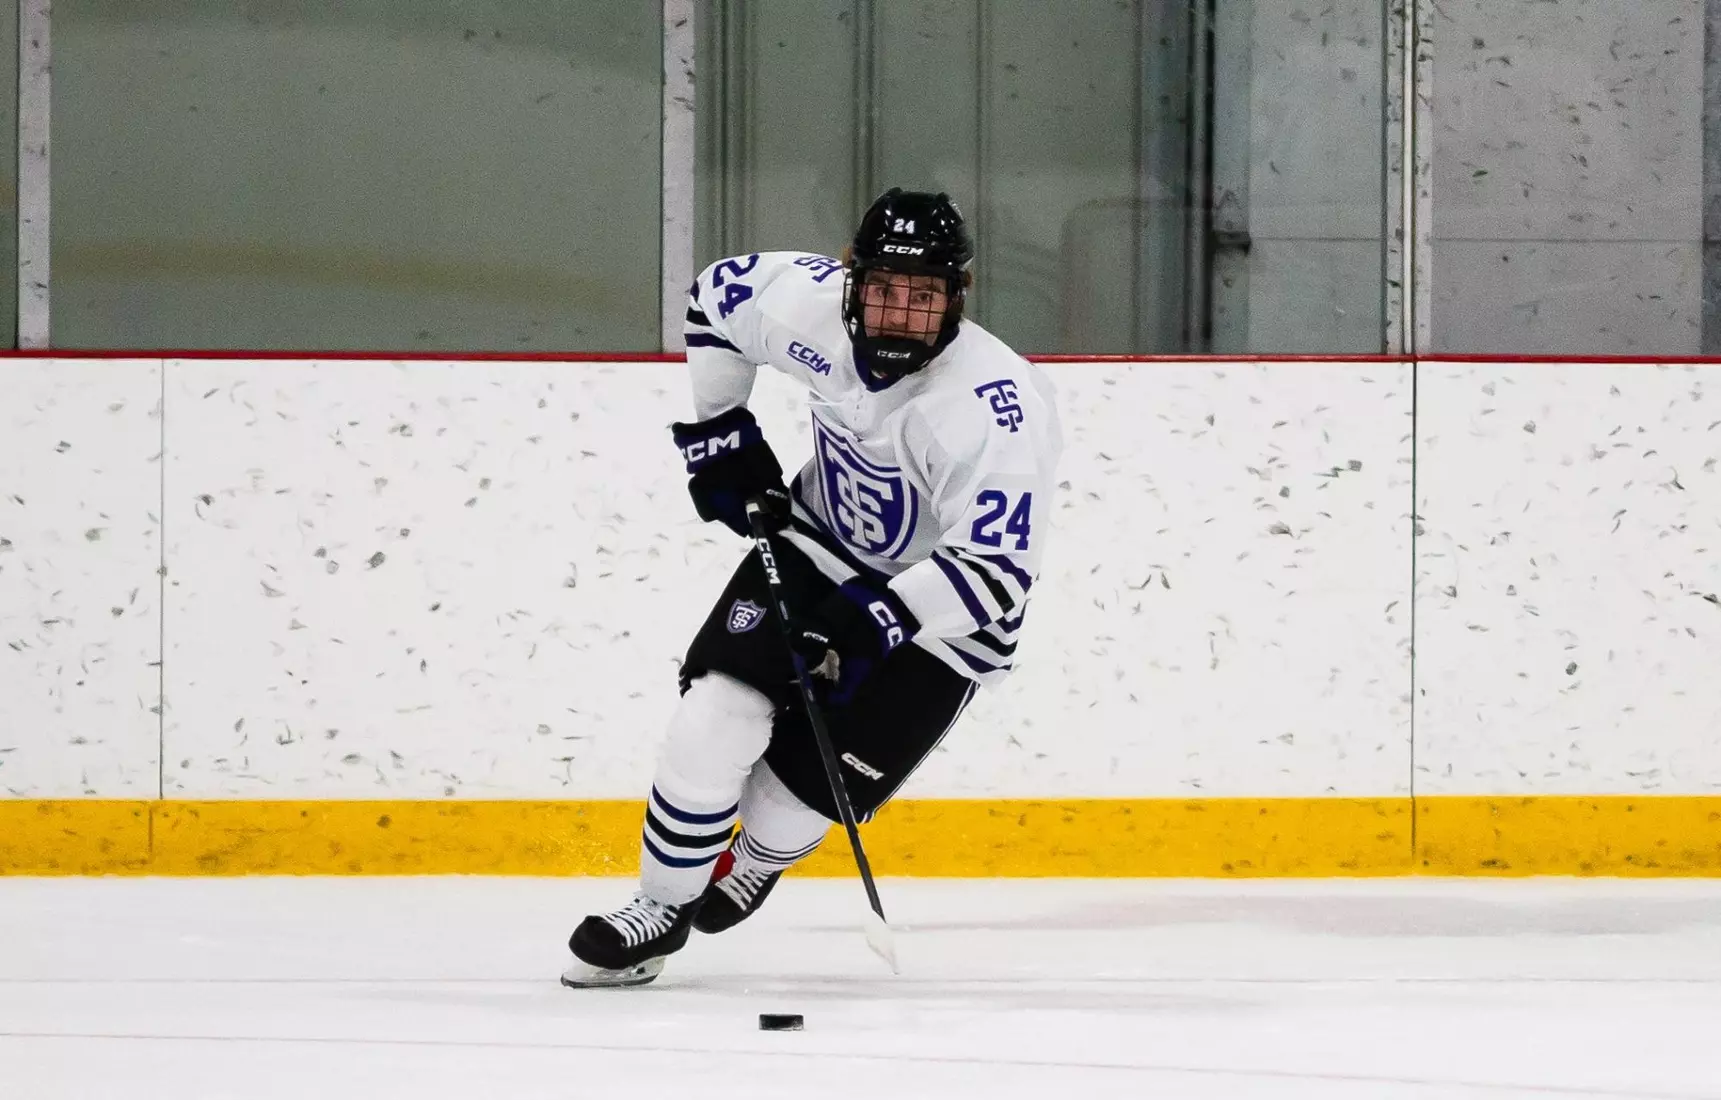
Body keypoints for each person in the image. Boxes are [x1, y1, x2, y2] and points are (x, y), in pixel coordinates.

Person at [561, 188, 1064, 987]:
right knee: (710, 724)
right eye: (884, 291)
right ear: (849, 280)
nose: (900, 314)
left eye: (923, 296)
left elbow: (998, 570)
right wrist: (717, 431)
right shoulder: (804, 308)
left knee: (789, 802)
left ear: (956, 300)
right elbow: (715, 299)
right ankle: (658, 910)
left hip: (946, 622)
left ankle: (756, 859)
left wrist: (873, 622)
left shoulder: (991, 409)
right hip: (817, 546)